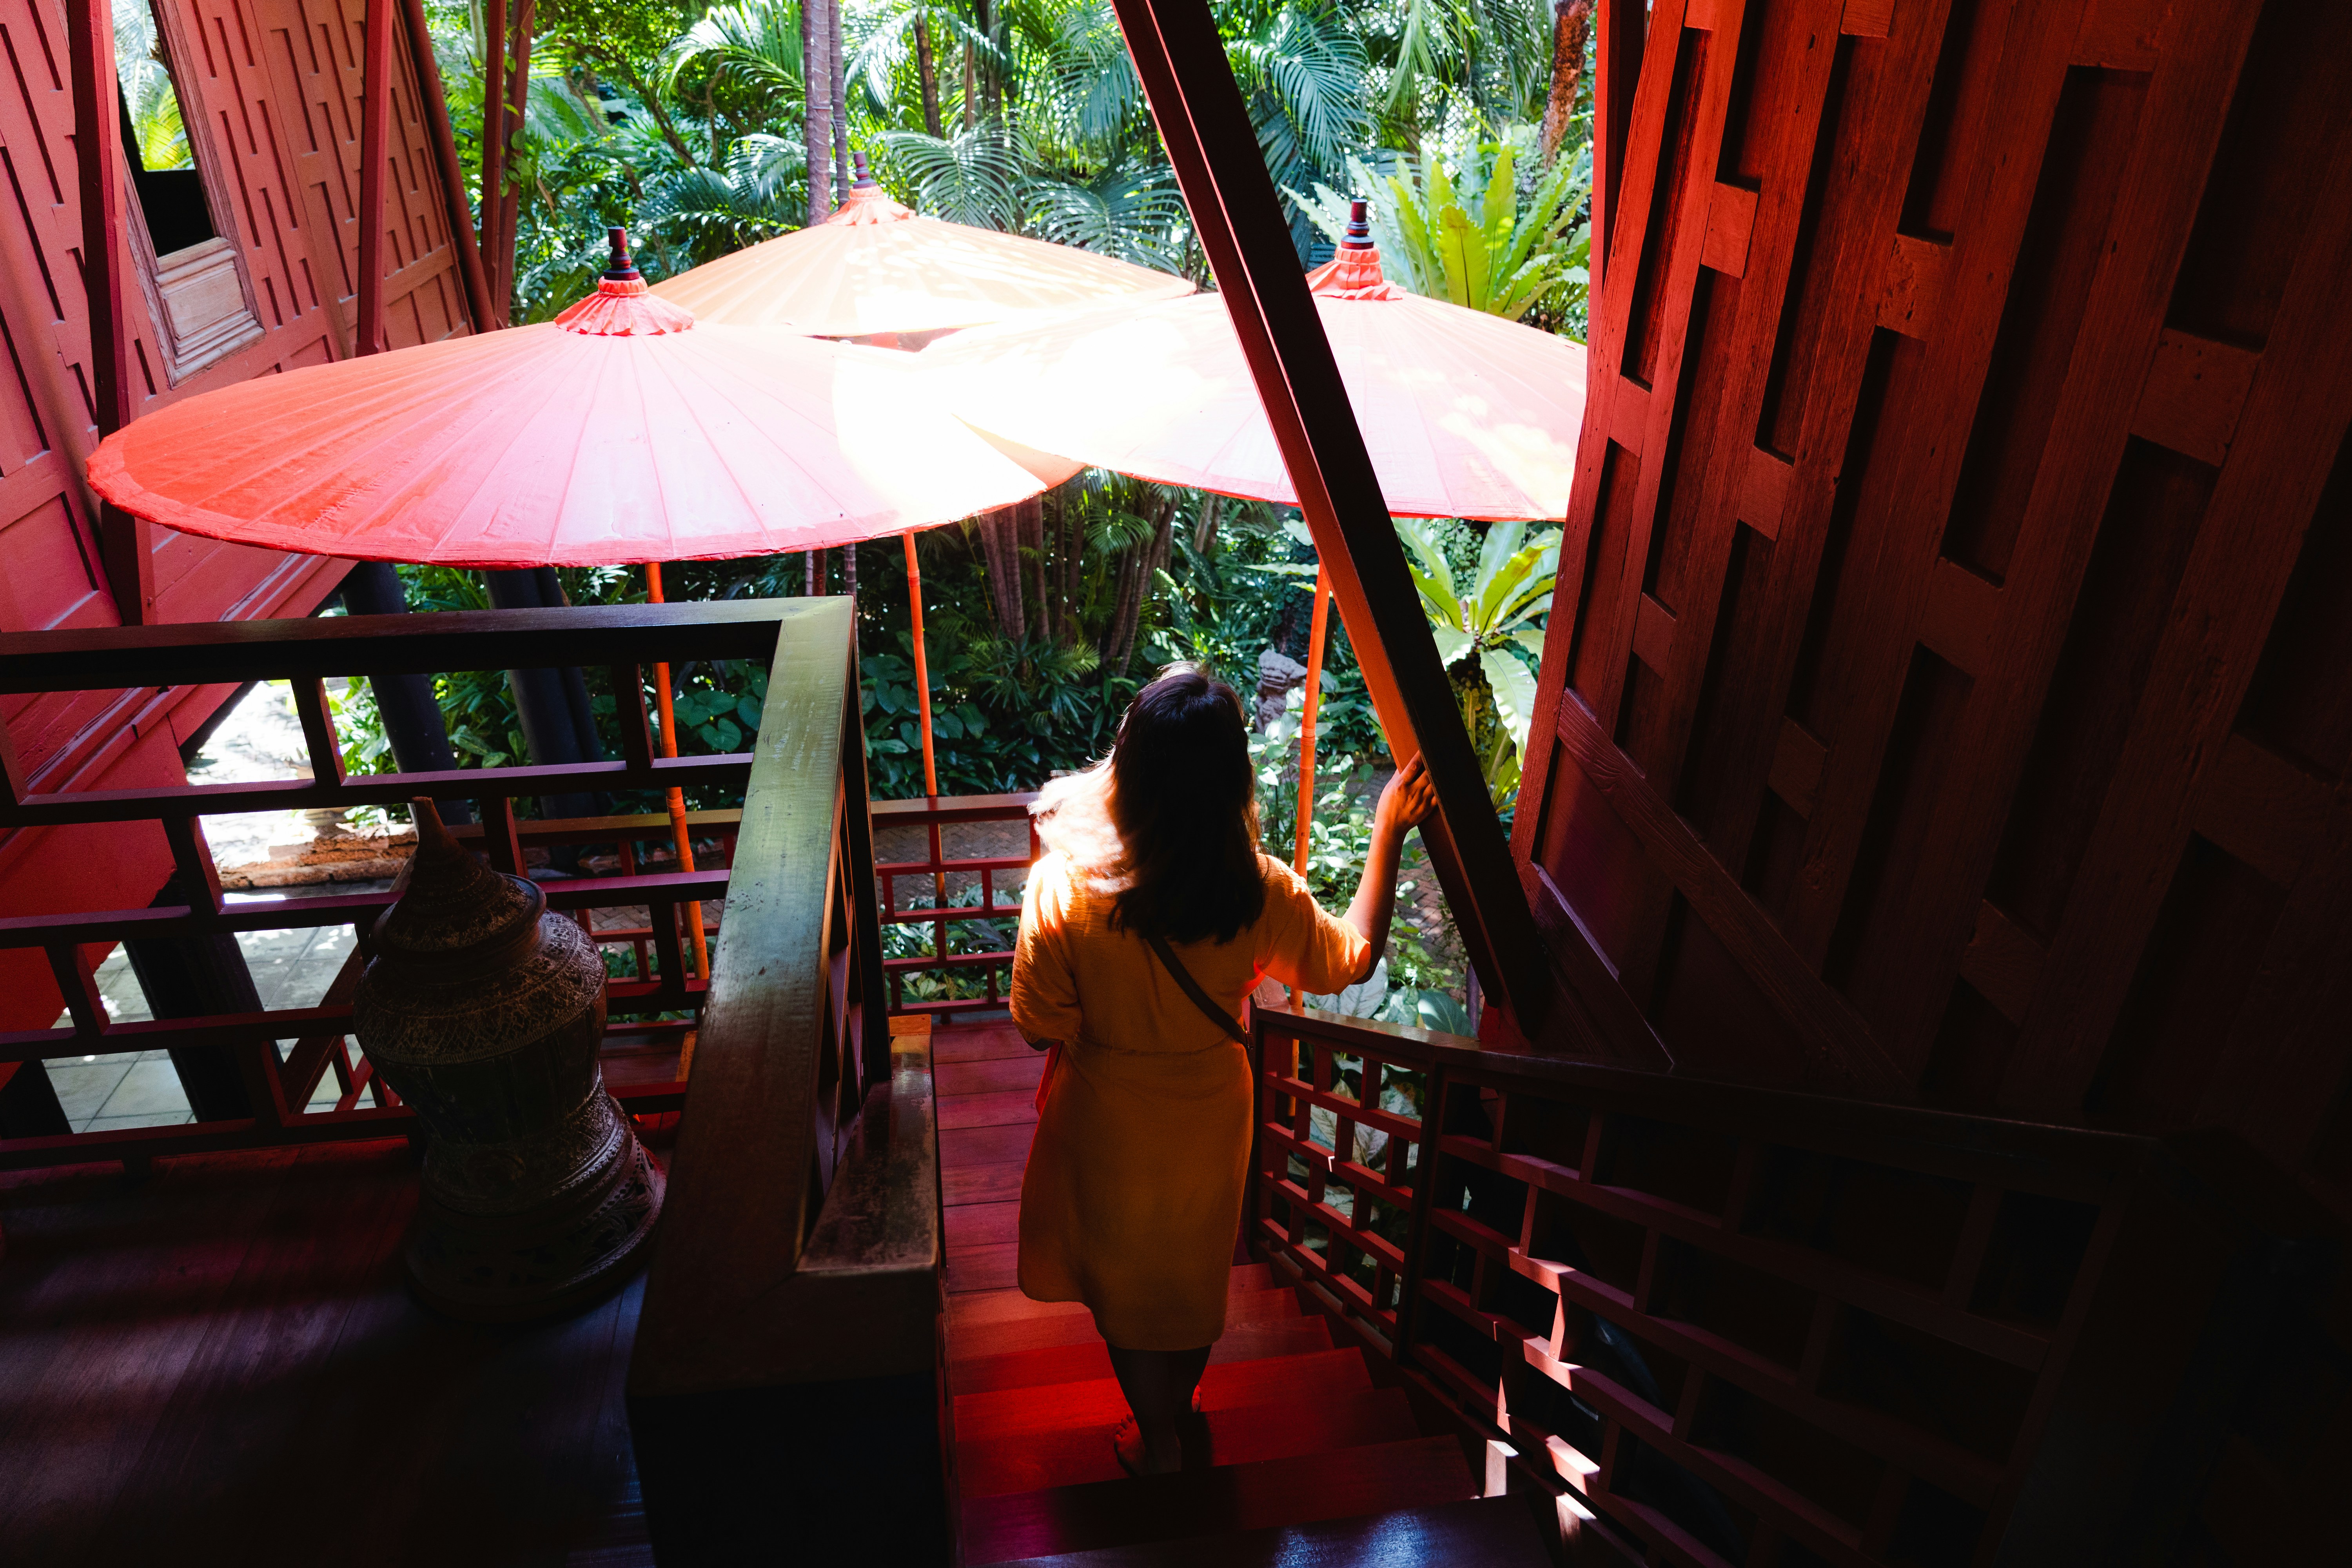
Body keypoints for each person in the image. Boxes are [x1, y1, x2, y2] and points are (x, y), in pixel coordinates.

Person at [1009, 665, 1439, 1477]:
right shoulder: (1256, 890)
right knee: (1191, 1269)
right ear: (1230, 780)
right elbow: (1349, 958)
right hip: (1211, 1112)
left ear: (1127, 771)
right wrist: (1388, 831)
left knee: (1129, 1284)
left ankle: (1160, 1437)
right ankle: (1179, 1411)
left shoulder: (1063, 886)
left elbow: (1040, 1025)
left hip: (1106, 1113)